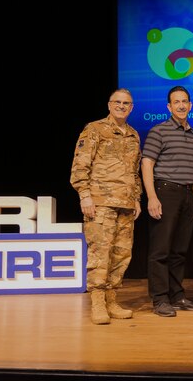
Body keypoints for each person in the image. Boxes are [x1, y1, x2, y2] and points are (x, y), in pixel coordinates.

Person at [70, 88, 142, 325]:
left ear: (131, 107)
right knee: (100, 254)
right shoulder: (94, 129)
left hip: (125, 204)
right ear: (109, 105)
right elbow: (80, 166)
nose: (121, 106)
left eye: (126, 103)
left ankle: (111, 300)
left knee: (121, 254)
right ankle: (98, 302)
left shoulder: (133, 135)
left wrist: (136, 198)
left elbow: (135, 171)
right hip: (100, 203)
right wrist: (85, 196)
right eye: (117, 102)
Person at [142, 86, 193, 317]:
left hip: (187, 194)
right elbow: (147, 163)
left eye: (184, 101)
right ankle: (160, 299)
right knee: (161, 250)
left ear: (190, 105)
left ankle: (177, 296)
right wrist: (152, 197)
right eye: (176, 102)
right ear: (169, 107)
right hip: (165, 192)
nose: (181, 105)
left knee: (179, 250)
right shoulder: (159, 131)